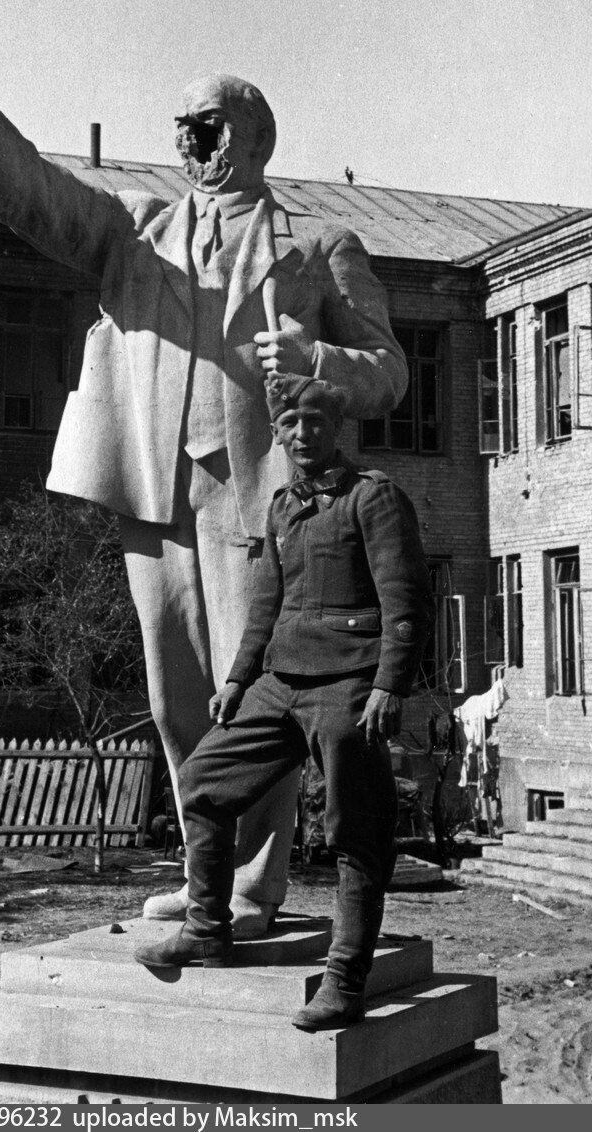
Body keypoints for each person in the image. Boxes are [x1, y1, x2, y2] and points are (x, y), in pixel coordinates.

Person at [0, 14, 409, 937]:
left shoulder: (319, 246)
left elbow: (389, 372)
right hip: (158, 489)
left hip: (260, 493)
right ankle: (205, 878)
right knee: (176, 698)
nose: (190, 141)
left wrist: (320, 360)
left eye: (208, 125)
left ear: (254, 138)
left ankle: (253, 887)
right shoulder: (135, 230)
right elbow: (34, 194)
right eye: (181, 126)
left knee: (253, 689)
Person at [135, 375, 433, 1030]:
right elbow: (265, 604)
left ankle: (345, 980)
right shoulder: (281, 507)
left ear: (336, 428)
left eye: (315, 422)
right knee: (203, 782)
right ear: (276, 433)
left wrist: (389, 684)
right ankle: (206, 929)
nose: (303, 434)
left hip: (350, 682)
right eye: (290, 424)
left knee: (355, 829)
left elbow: (406, 599)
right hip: (280, 680)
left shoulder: (372, 496)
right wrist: (238, 680)